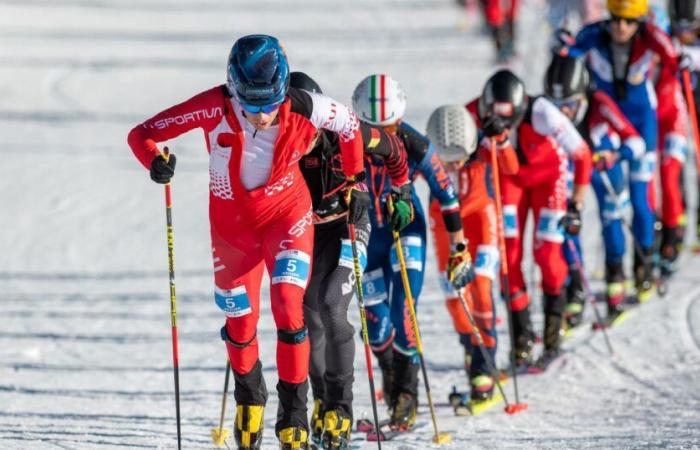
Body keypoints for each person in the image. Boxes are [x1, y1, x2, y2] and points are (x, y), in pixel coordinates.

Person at [127, 35, 367, 450]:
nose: (262, 115)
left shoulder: (307, 105)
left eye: (271, 102)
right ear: (233, 88)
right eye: (251, 104)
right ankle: (249, 399)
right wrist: (156, 161)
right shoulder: (213, 105)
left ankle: (293, 416)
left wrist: (354, 177)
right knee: (240, 323)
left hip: (287, 217)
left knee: (290, 306)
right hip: (233, 233)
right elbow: (143, 133)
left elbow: (350, 125)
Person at [289, 72, 410, 450]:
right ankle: (323, 398)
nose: (301, 136)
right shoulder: (279, 143)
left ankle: (340, 410)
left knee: (331, 304)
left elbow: (394, 149)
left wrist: (401, 191)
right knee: (305, 314)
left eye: (309, 127)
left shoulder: (346, 132)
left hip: (347, 227)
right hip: (306, 232)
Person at [352, 74, 470, 429]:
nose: (380, 137)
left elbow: (448, 197)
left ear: (399, 120)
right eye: (371, 127)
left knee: (404, 309)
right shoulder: (347, 141)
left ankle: (408, 393)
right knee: (375, 325)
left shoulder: (416, 146)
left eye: (388, 127)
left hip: (406, 231)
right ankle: (391, 381)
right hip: (365, 236)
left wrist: (459, 247)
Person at [466, 69, 592, 366]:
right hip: (510, 180)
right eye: (497, 121)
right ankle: (521, 338)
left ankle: (552, 330)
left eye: (510, 121)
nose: (504, 129)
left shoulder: (543, 112)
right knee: (508, 258)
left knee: (547, 254)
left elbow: (582, 154)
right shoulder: (473, 110)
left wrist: (576, 205)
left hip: (549, 178)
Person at [556, 0, 680, 300]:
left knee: (641, 199)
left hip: (641, 124)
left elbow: (675, 62)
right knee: (612, 202)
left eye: (627, 22)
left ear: (638, 23)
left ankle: (645, 264)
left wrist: (676, 71)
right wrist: (562, 48)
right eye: (614, 20)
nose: (619, 28)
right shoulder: (594, 34)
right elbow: (568, 58)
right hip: (607, 122)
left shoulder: (652, 36)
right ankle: (615, 271)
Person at [426, 105, 518, 401]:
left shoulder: (482, 143)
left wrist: (501, 137)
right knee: (455, 298)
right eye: (446, 163)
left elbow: (511, 168)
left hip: (482, 218)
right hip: (444, 222)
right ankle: (471, 346)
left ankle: (484, 362)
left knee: (480, 285)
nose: (452, 168)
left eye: (458, 162)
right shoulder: (429, 151)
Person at [544, 54, 646, 324]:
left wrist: (617, 154)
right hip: (570, 169)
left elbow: (636, 141)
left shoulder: (600, 103)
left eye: (569, 104)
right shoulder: (546, 112)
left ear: (583, 96)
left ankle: (616, 278)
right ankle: (575, 289)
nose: (562, 113)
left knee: (612, 217)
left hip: (602, 167)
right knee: (567, 221)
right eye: (556, 105)